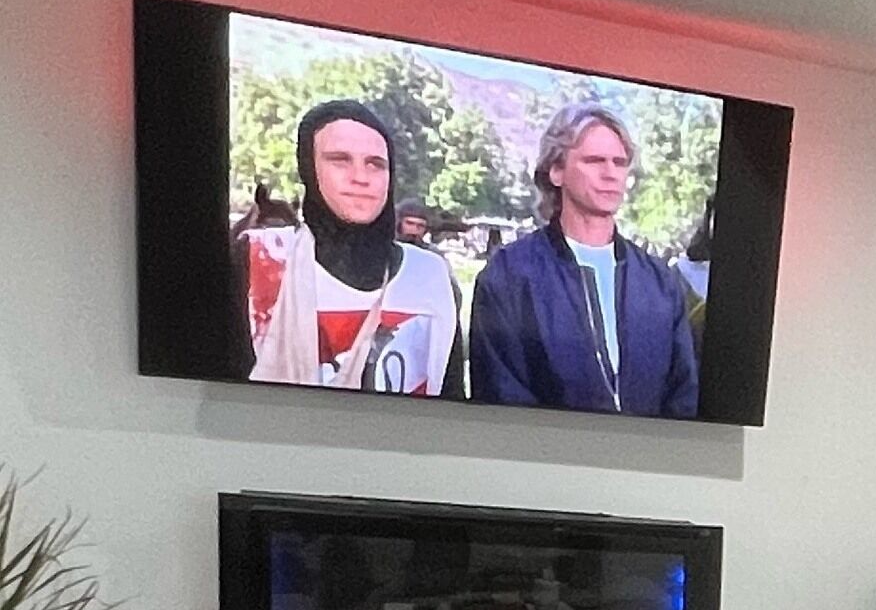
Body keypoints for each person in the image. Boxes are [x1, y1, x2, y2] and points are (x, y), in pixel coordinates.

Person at [468, 102, 701, 416]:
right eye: (594, 161)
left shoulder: (660, 282)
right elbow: (500, 395)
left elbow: (684, 396)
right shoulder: (509, 276)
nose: (610, 174)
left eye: (620, 163)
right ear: (556, 171)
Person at [245, 101, 467, 394]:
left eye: (375, 164)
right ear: (309, 169)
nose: (361, 178)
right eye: (340, 160)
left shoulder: (430, 275)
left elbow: (450, 396)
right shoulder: (259, 259)